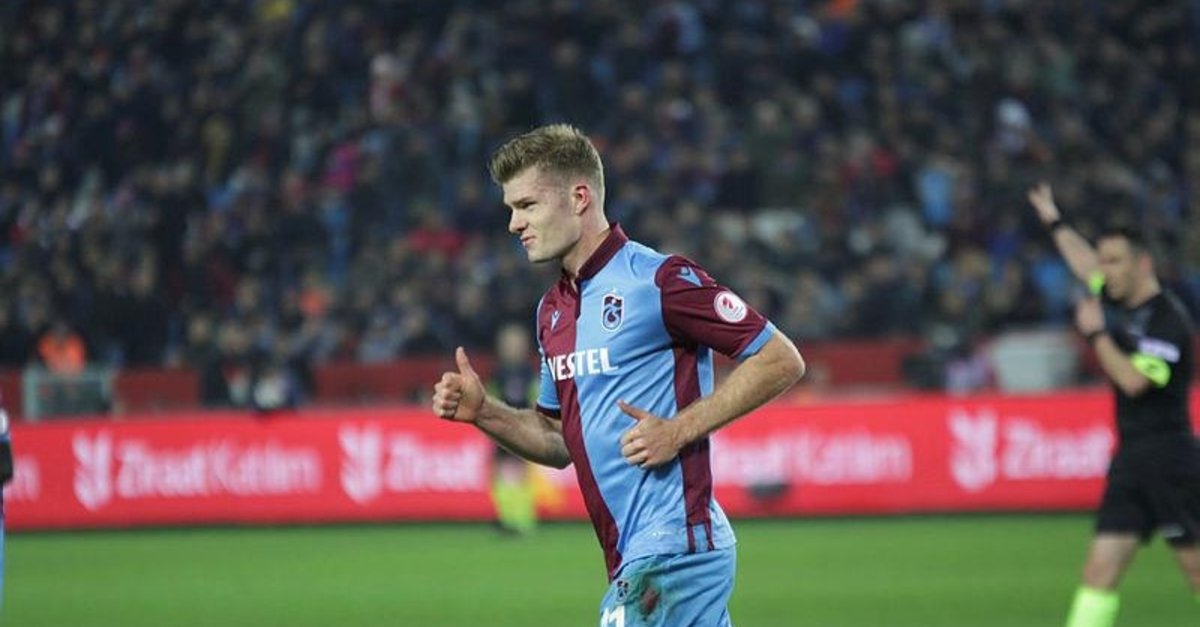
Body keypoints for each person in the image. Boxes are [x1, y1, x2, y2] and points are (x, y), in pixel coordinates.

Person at [431, 124, 805, 626]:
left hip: (673, 551)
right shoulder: (551, 312)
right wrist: (485, 413)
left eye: (527, 205)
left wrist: (679, 430)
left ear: (579, 197)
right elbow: (559, 441)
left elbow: (779, 358)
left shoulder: (658, 280)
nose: (514, 224)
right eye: (511, 209)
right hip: (635, 553)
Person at [1028, 183, 1200, 627]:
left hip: (1171, 460)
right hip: (1132, 460)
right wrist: (1054, 220)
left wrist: (1096, 334)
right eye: (1103, 261)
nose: (1103, 272)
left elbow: (1134, 381)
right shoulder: (1118, 297)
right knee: (1099, 572)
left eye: (1114, 261)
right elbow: (1083, 262)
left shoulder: (1167, 320)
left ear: (1142, 264)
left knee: (1196, 572)